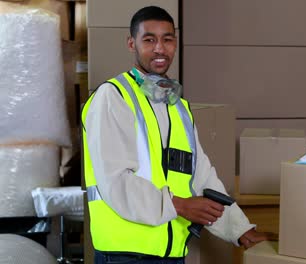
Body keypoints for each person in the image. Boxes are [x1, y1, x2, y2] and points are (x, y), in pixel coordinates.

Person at [81, 5, 267, 264]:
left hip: (171, 254)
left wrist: (239, 229)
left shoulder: (178, 107)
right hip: (125, 255)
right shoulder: (113, 98)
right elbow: (115, 181)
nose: (160, 48)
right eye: (149, 40)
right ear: (131, 44)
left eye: (167, 39)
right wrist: (180, 206)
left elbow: (201, 177)